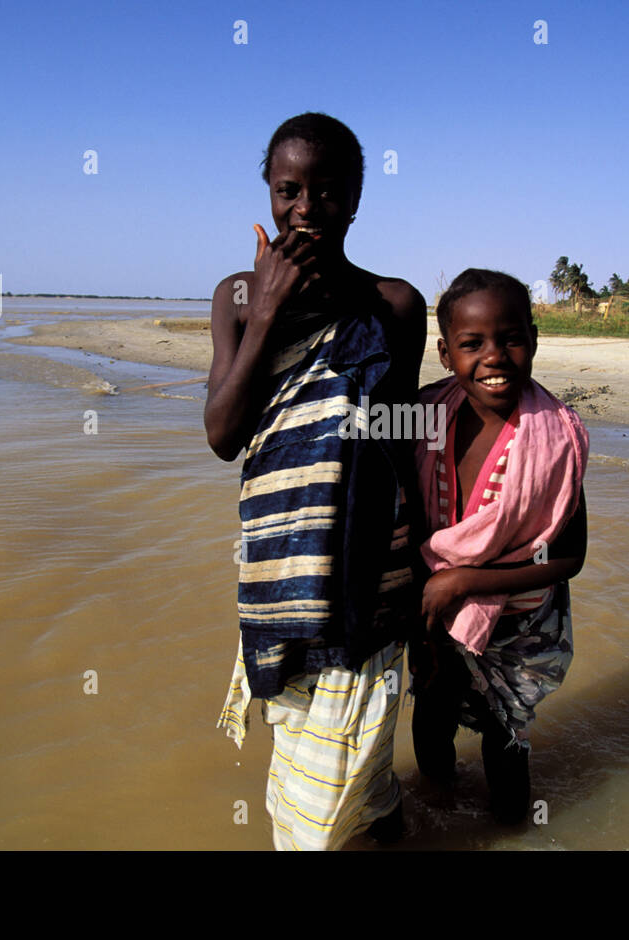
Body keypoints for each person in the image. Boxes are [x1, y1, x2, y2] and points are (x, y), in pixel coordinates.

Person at [206, 113, 426, 850]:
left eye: (328, 192)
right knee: (329, 750)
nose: (306, 208)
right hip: (279, 567)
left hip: (370, 568)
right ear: (269, 193)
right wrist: (267, 310)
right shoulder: (238, 297)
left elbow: (402, 437)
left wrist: (427, 567)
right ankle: (391, 817)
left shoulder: (394, 304)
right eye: (289, 190)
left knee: (317, 806)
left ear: (357, 199)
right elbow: (222, 435)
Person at [410, 268, 588, 825]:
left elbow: (569, 557)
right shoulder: (424, 418)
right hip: (433, 607)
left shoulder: (551, 438)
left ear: (532, 341)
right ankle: (436, 811)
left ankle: (511, 827)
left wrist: (464, 580)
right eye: (473, 344)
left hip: (516, 617)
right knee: (432, 708)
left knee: (503, 731)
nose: (495, 356)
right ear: (445, 353)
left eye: (510, 339)